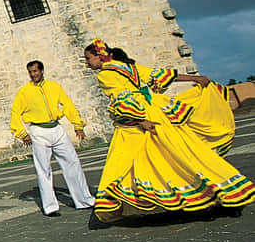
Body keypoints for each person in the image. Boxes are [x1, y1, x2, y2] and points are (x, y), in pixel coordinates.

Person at [83, 38, 255, 228]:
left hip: (137, 120)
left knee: (128, 161)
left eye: (88, 58)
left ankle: (176, 195)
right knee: (180, 153)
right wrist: (195, 78)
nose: (87, 63)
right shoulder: (128, 67)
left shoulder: (105, 75)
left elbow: (122, 98)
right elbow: (160, 75)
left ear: (99, 57)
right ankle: (213, 192)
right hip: (157, 111)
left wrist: (141, 120)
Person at [10, 60, 95, 216]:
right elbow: (15, 113)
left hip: (56, 128)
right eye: (30, 72)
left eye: (35, 71)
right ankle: (50, 207)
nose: (33, 74)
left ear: (42, 71)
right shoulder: (24, 92)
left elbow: (67, 104)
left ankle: (84, 200)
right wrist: (22, 133)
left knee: (72, 162)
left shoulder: (54, 87)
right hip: (38, 131)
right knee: (43, 169)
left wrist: (78, 125)